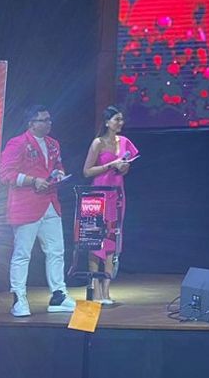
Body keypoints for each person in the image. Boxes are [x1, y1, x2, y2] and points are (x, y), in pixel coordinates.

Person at [0, 105, 77, 317]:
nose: (49, 123)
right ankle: (19, 298)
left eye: (49, 119)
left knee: (56, 251)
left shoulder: (53, 144)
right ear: (31, 124)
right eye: (43, 120)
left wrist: (59, 174)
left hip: (50, 203)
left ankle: (58, 294)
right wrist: (33, 181)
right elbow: (6, 174)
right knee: (22, 254)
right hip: (26, 205)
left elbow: (58, 165)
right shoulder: (17, 143)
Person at [82, 106, 139, 304]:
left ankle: (106, 291)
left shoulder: (124, 142)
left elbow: (125, 169)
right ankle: (95, 290)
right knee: (94, 241)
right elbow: (87, 171)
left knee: (112, 240)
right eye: (116, 119)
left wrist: (123, 167)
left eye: (121, 119)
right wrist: (110, 165)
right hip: (97, 196)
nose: (120, 123)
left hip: (117, 193)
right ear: (107, 122)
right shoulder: (98, 142)